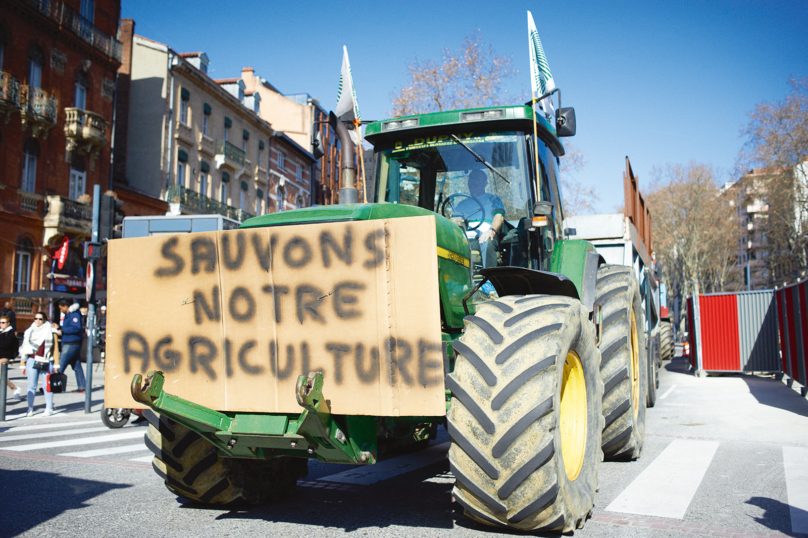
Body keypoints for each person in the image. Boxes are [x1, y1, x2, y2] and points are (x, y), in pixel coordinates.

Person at [454, 169, 506, 268]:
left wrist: (492, 231)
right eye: (471, 179)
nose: (473, 182)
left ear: (485, 183)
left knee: (487, 240)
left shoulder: (492, 199)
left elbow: (499, 216)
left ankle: (489, 280)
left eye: (477, 179)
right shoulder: (461, 205)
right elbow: (455, 222)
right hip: (465, 239)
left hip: (483, 237)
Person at [20, 312, 55, 417]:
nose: (38, 321)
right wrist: (22, 363)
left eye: (40, 319)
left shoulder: (50, 330)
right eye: (36, 318)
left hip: (46, 359)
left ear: (44, 319)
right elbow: (24, 348)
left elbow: (55, 349)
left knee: (47, 386)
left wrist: (56, 364)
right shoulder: (29, 331)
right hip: (31, 359)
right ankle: (30, 408)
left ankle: (49, 408)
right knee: (31, 385)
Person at [56, 300, 86, 394]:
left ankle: (53, 385)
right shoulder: (68, 315)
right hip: (70, 342)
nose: (60, 310)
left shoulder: (73, 314)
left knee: (61, 364)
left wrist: (63, 330)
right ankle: (82, 387)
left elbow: (76, 327)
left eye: (61, 308)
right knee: (76, 366)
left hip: (72, 343)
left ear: (65, 306)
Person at [0, 316, 22, 400]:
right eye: (0, 322)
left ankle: (14, 388)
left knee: (1, 374)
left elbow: (6, 344)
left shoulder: (10, 332)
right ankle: (14, 388)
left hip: (5, 356)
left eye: (3, 322)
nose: (1, 324)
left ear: (8, 323)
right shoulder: (1, 332)